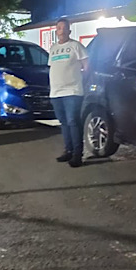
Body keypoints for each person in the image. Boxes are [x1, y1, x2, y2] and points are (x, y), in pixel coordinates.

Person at [48, 17, 88, 168]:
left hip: (72, 91)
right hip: (56, 92)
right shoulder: (53, 48)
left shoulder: (76, 46)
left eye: (65, 28)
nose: (62, 31)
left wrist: (81, 81)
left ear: (69, 30)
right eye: (59, 28)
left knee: (73, 121)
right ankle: (68, 150)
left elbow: (86, 66)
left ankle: (78, 154)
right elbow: (53, 68)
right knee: (64, 123)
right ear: (56, 31)